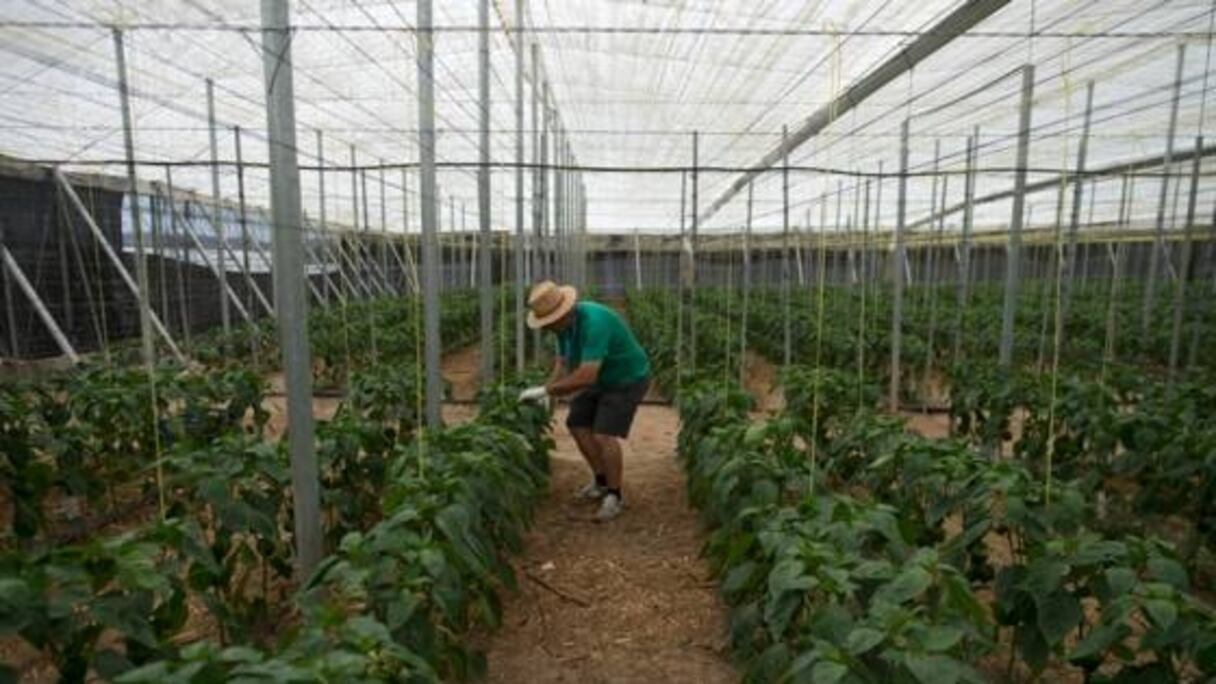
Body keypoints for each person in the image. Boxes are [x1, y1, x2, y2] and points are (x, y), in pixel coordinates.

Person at [520, 280, 651, 521]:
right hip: (600, 380)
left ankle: (615, 495)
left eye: (550, 322)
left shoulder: (594, 322)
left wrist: (546, 391)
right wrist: (549, 391)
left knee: (604, 435)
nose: (548, 328)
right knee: (577, 423)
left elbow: (587, 374)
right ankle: (601, 481)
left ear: (565, 313)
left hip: (627, 378)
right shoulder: (563, 328)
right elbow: (562, 362)